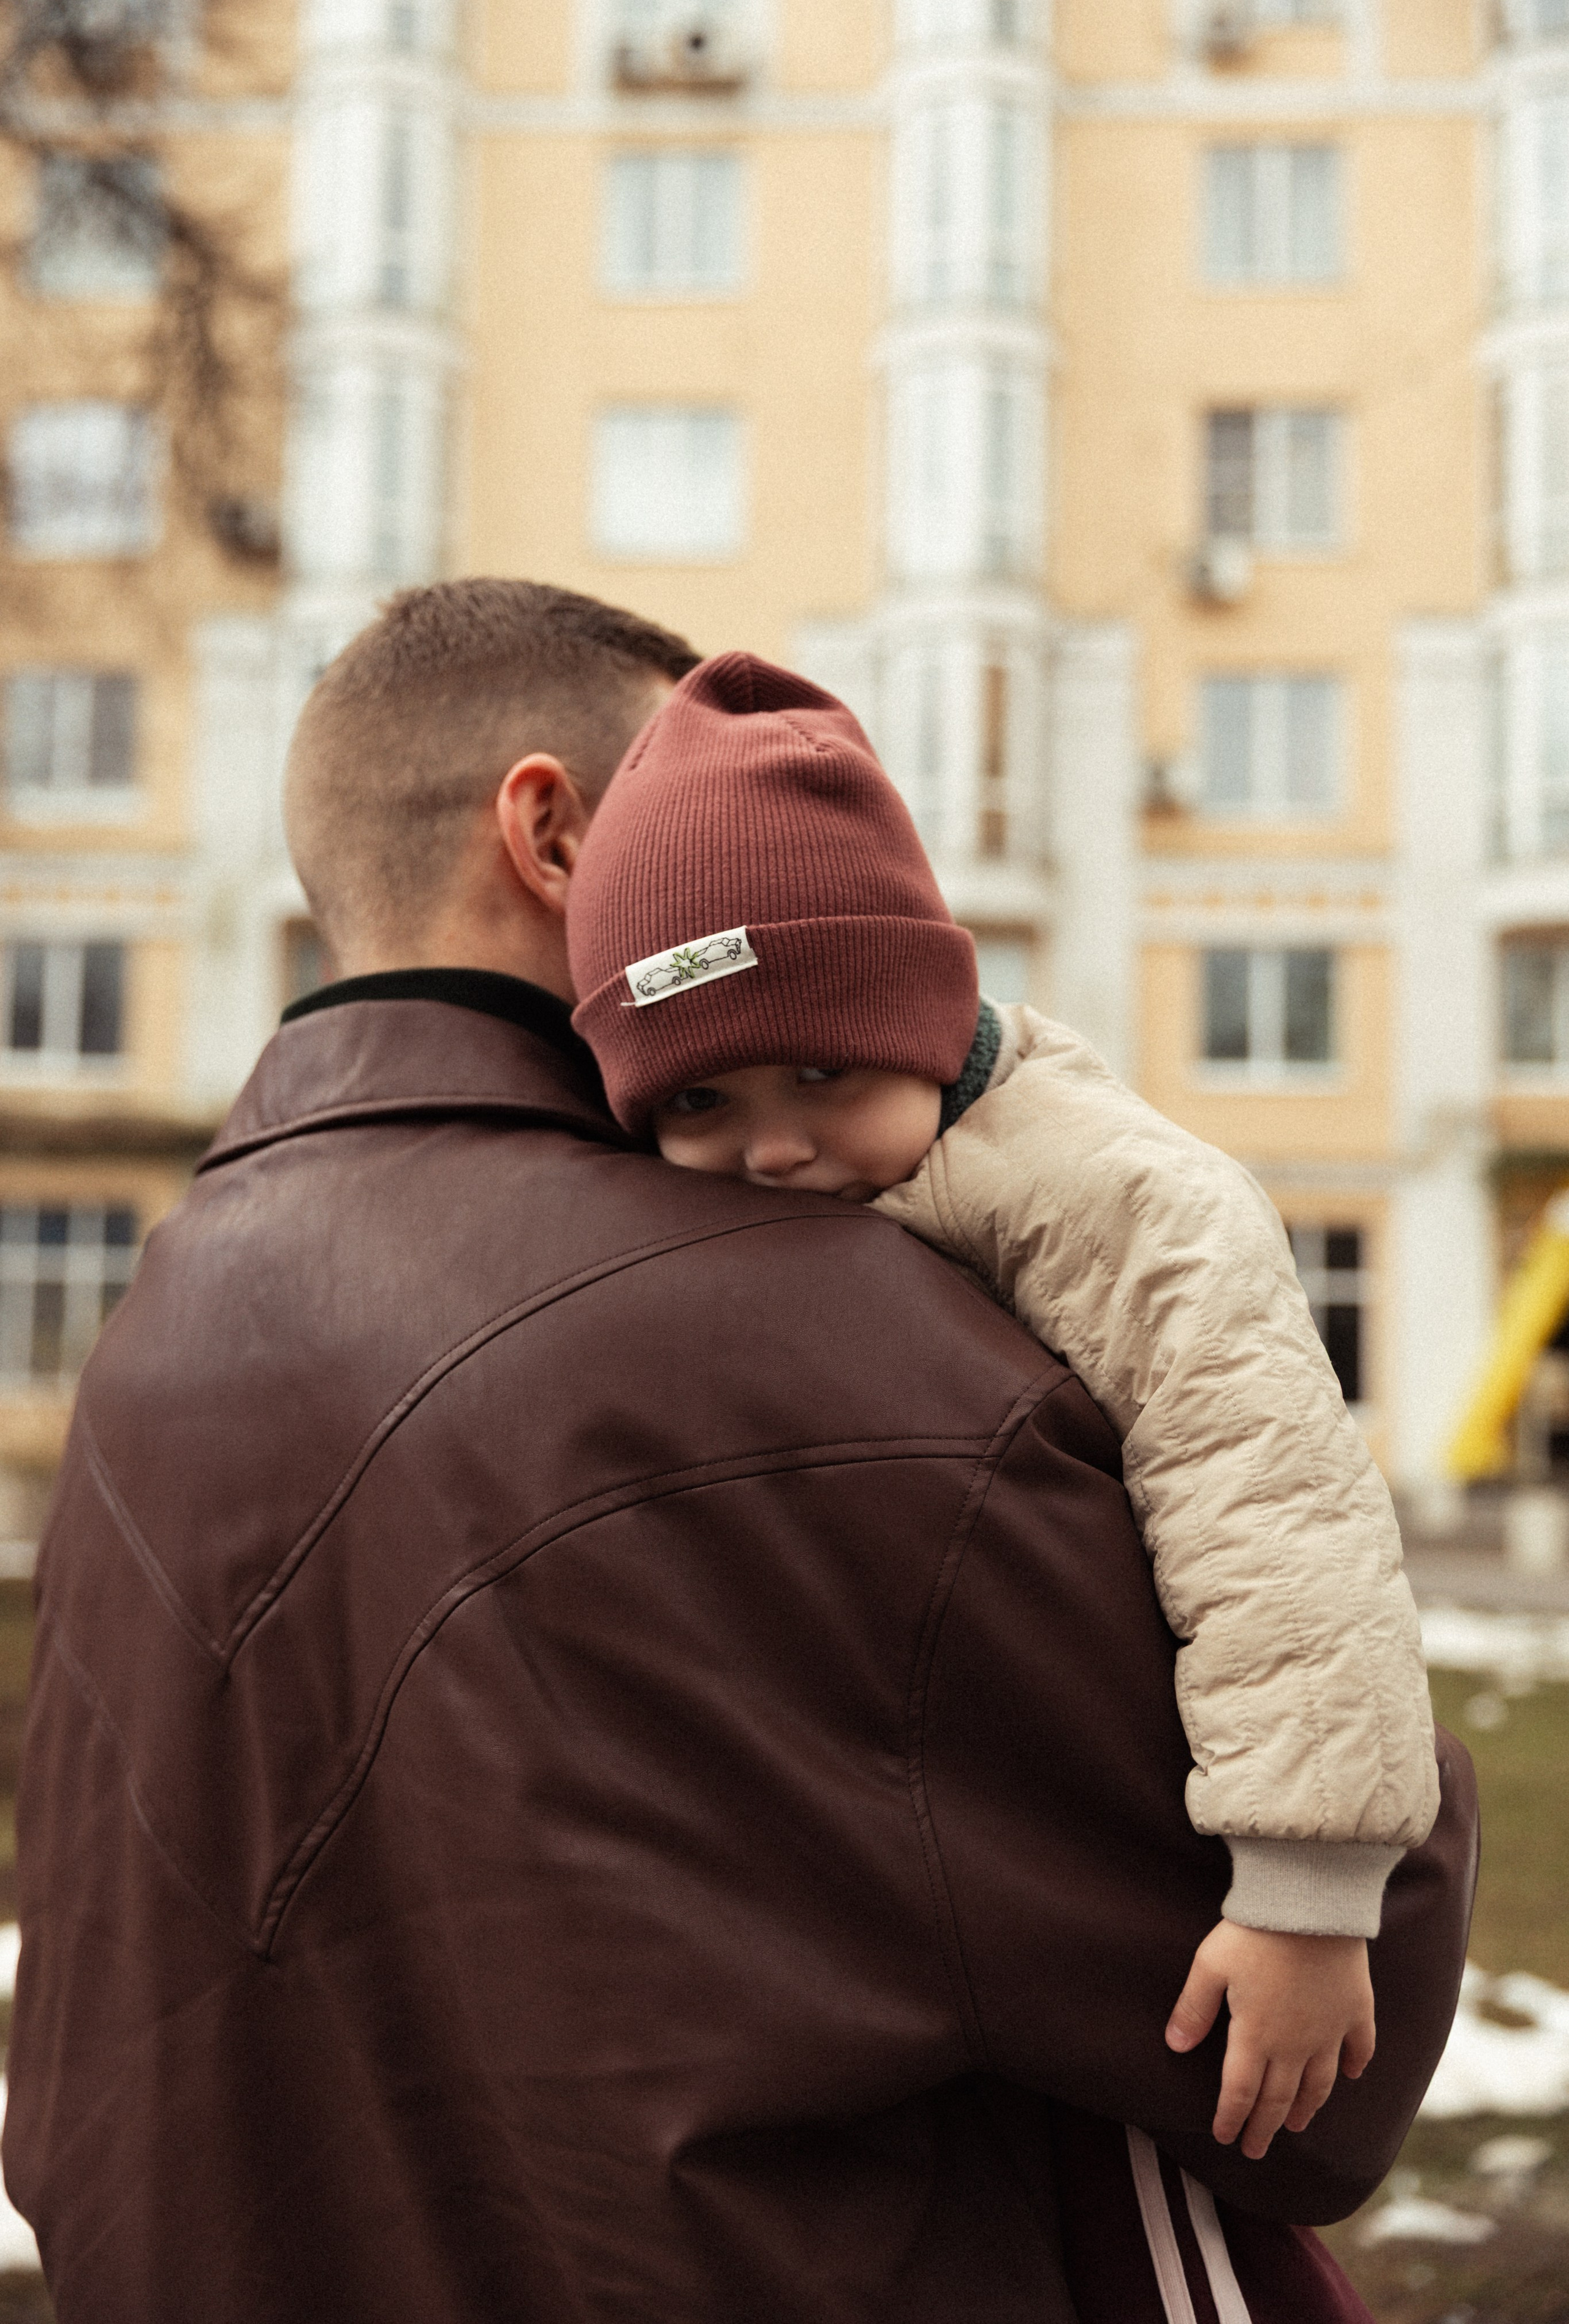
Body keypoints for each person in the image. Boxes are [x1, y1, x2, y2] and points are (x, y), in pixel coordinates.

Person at [6, 581, 1474, 2324]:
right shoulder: (810, 1331)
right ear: (552, 835)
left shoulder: (152, 1347)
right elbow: (1321, 2035)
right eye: (675, 816)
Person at [566, 651, 1440, 2162]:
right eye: (699, 1106)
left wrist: (1302, 1883)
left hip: (1183, 1862)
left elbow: (1278, 1513)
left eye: (820, 1072)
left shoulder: (1122, 1202)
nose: (773, 1150)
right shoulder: (859, 1181)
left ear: (919, 1019)